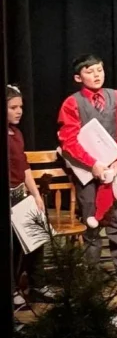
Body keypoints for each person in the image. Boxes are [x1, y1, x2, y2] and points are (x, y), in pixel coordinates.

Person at [56, 54, 117, 284]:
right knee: (91, 221)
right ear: (78, 77)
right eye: (89, 71)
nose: (96, 75)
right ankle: (92, 276)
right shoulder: (72, 102)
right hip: (88, 171)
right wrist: (92, 163)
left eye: (99, 70)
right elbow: (69, 140)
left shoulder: (116, 97)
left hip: (113, 169)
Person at [8, 84, 46, 296]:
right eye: (13, 107)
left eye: (20, 106)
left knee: (37, 237)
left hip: (21, 194)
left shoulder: (17, 133)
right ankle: (13, 290)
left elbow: (24, 166)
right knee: (14, 248)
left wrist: (36, 195)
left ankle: (37, 286)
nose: (19, 111)